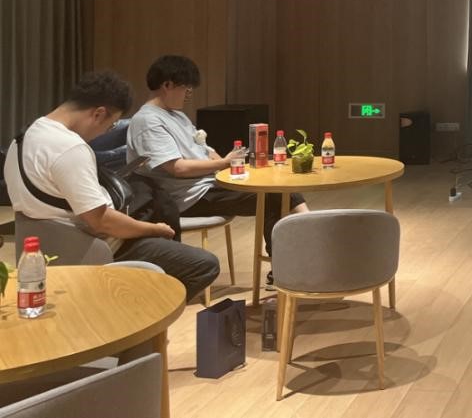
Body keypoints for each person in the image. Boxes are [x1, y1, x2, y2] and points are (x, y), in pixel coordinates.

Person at [3, 71, 219, 301]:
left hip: (51, 243)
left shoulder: (23, 137)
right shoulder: (69, 148)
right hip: (93, 246)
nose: (103, 134)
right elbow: (101, 221)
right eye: (109, 126)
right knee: (204, 265)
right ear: (98, 114)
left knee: (150, 195)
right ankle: (137, 315)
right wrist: (154, 229)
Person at [127, 55, 308, 285]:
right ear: (168, 85)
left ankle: (303, 245)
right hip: (188, 195)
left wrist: (228, 164)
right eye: (186, 88)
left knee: (278, 187)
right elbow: (177, 168)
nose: (189, 94)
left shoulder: (176, 115)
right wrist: (223, 164)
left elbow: (204, 149)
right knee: (273, 196)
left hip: (208, 184)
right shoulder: (147, 120)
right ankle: (290, 265)